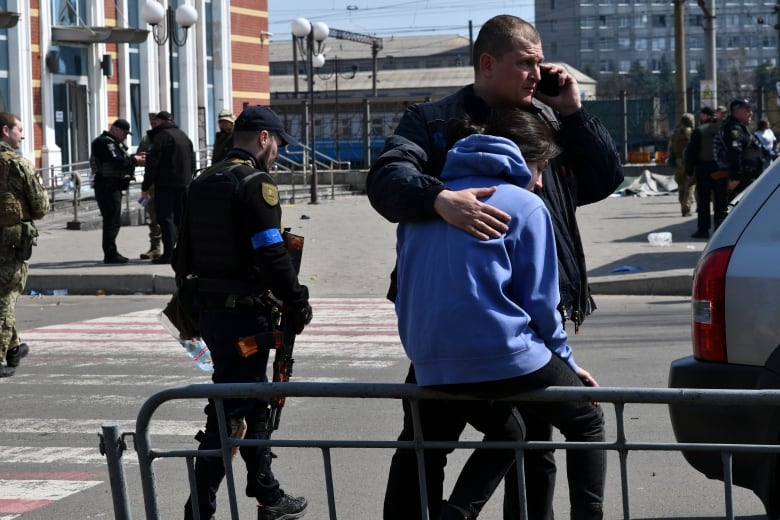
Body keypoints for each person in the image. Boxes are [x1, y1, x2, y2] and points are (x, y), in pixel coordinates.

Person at [367, 14, 623, 520]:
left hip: (522, 316)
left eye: (539, 63)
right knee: (428, 440)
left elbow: (601, 178)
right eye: (526, 63)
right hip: (461, 311)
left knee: (531, 444)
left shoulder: (547, 121)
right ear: (487, 64)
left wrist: (573, 113)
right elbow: (387, 179)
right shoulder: (434, 120)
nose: (537, 74)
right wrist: (439, 196)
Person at [396, 108, 605, 519]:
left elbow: (405, 289)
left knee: (492, 434)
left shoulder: (430, 205)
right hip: (501, 351)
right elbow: (541, 304)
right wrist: (567, 363)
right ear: (522, 158)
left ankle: (454, 512)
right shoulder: (525, 205)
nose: (542, 180)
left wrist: (421, 352)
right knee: (587, 421)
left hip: (428, 357)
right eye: (541, 167)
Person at [175, 105, 313, 520]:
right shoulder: (255, 184)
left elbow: (181, 256)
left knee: (251, 403)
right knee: (232, 412)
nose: (277, 155)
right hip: (245, 317)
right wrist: (296, 298)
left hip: (212, 315)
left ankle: (266, 490)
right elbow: (271, 251)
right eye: (277, 145)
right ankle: (200, 508)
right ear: (264, 138)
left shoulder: (202, 181)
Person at [0, 112, 49, 377]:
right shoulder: (18, 164)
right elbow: (41, 207)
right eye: (20, 129)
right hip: (10, 242)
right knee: (6, 297)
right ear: (6, 131)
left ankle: (14, 348)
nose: (23, 134)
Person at [141, 111, 195, 264]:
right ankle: (184, 253)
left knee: (166, 220)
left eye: (156, 121)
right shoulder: (183, 136)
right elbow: (192, 160)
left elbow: (152, 164)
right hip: (184, 184)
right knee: (181, 220)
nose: (153, 123)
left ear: (161, 121)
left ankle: (169, 254)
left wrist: (145, 186)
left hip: (166, 185)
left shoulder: (161, 137)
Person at [90, 118, 144, 264]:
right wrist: (134, 160)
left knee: (113, 220)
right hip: (107, 186)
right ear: (116, 129)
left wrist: (133, 159)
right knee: (112, 221)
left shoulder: (113, 143)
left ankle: (111, 252)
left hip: (112, 186)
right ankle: (110, 254)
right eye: (125, 133)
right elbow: (116, 161)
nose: (125, 137)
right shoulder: (105, 142)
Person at [684, 106, 727, 239]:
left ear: (706, 116)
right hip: (722, 169)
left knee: (703, 201)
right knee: (721, 201)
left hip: (704, 169)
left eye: (701, 114)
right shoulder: (723, 128)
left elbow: (691, 152)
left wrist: (689, 170)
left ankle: (703, 229)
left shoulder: (699, 131)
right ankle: (721, 229)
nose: (699, 117)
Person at [720, 99, 768, 200]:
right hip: (743, 180)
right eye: (747, 110)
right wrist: (736, 177)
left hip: (749, 178)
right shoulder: (734, 129)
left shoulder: (741, 128)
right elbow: (734, 152)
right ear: (737, 112)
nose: (751, 113)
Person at [667, 112, 695, 217]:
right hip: (689, 162)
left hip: (678, 162)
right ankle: (686, 208)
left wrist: (672, 160)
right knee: (690, 186)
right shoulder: (692, 133)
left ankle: (682, 204)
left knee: (681, 186)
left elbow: (669, 149)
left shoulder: (675, 134)